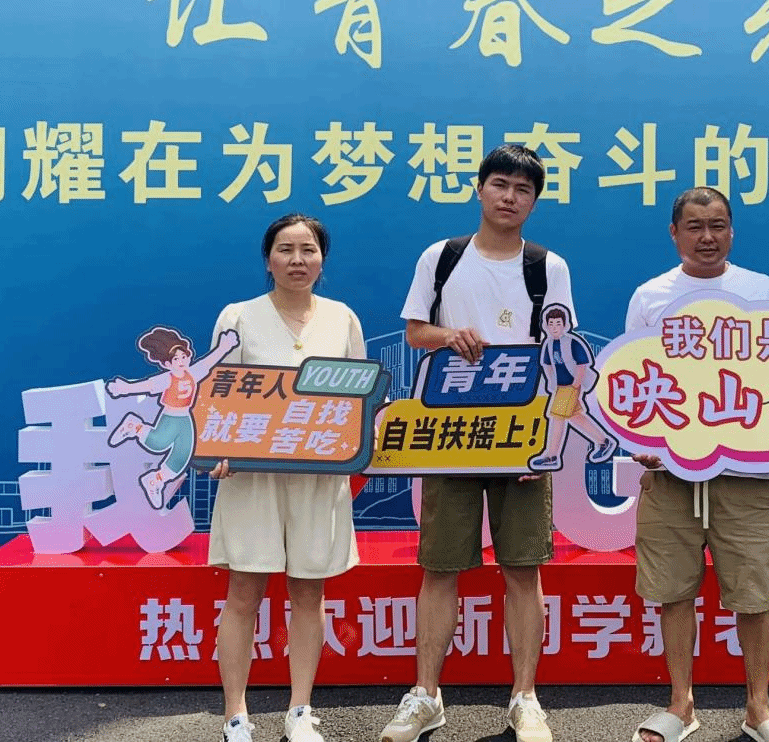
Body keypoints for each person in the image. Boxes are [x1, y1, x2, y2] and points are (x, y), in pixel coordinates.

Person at [381, 145, 573, 742]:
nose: (509, 197)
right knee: (440, 568)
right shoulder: (441, 258)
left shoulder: (548, 267)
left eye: (522, 189)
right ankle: (425, 696)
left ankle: (525, 697)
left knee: (523, 568)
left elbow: (561, 358)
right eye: (500, 184)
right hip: (449, 434)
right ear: (479, 188)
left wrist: (543, 443)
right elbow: (415, 333)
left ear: (534, 201)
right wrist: (448, 335)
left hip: (520, 438)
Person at [627, 187, 769, 742]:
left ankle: (759, 708)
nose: (707, 237)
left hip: (744, 476)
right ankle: (680, 705)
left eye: (718, 225)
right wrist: (639, 439)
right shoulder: (651, 295)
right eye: (695, 226)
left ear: (732, 230)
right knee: (673, 590)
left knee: (754, 594)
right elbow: (634, 380)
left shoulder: (761, 290)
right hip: (670, 474)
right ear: (674, 233)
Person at [207, 214, 366, 742]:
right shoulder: (238, 317)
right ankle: (235, 715)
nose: (297, 260)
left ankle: (300, 711)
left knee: (309, 595)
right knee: (243, 593)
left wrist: (361, 440)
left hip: (318, 478)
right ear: (268, 259)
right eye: (285, 249)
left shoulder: (342, 318)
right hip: (252, 478)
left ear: (322, 259)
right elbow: (218, 394)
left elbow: (360, 399)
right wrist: (218, 448)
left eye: (308, 250)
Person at [105, 324, 239, 508]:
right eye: (176, 359)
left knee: (182, 454)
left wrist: (224, 346)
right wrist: (125, 388)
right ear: (167, 364)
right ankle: (134, 426)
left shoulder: (192, 373)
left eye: (184, 356)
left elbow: (208, 362)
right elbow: (148, 385)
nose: (181, 361)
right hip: (170, 416)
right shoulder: (167, 378)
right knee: (157, 443)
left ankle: (156, 480)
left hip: (185, 418)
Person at [527, 304, 616, 471]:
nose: (554, 327)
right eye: (551, 324)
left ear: (565, 325)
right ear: (546, 326)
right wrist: (552, 382)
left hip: (571, 386)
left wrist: (576, 384)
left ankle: (552, 456)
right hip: (561, 386)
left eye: (558, 323)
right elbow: (547, 364)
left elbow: (582, 364)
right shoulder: (549, 344)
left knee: (557, 417)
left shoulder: (572, 342)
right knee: (575, 417)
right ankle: (604, 441)